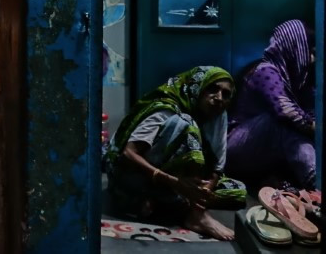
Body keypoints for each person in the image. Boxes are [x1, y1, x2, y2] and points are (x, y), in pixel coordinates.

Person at [104, 66, 246, 241]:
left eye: (226, 94)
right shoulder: (165, 107)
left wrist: (204, 190)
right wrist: (176, 183)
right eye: (212, 89)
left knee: (238, 191)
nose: (218, 98)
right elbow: (128, 154)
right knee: (186, 123)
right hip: (132, 174)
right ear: (197, 88)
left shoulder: (218, 115)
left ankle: (158, 202)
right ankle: (195, 215)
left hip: (176, 181)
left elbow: (217, 166)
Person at [226, 20, 316, 192]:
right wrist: (316, 129)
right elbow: (286, 112)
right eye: (309, 51)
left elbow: (311, 113)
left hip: (265, 155)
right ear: (295, 47)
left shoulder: (299, 81)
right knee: (279, 123)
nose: (312, 59)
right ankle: (315, 181)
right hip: (238, 148)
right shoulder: (265, 71)